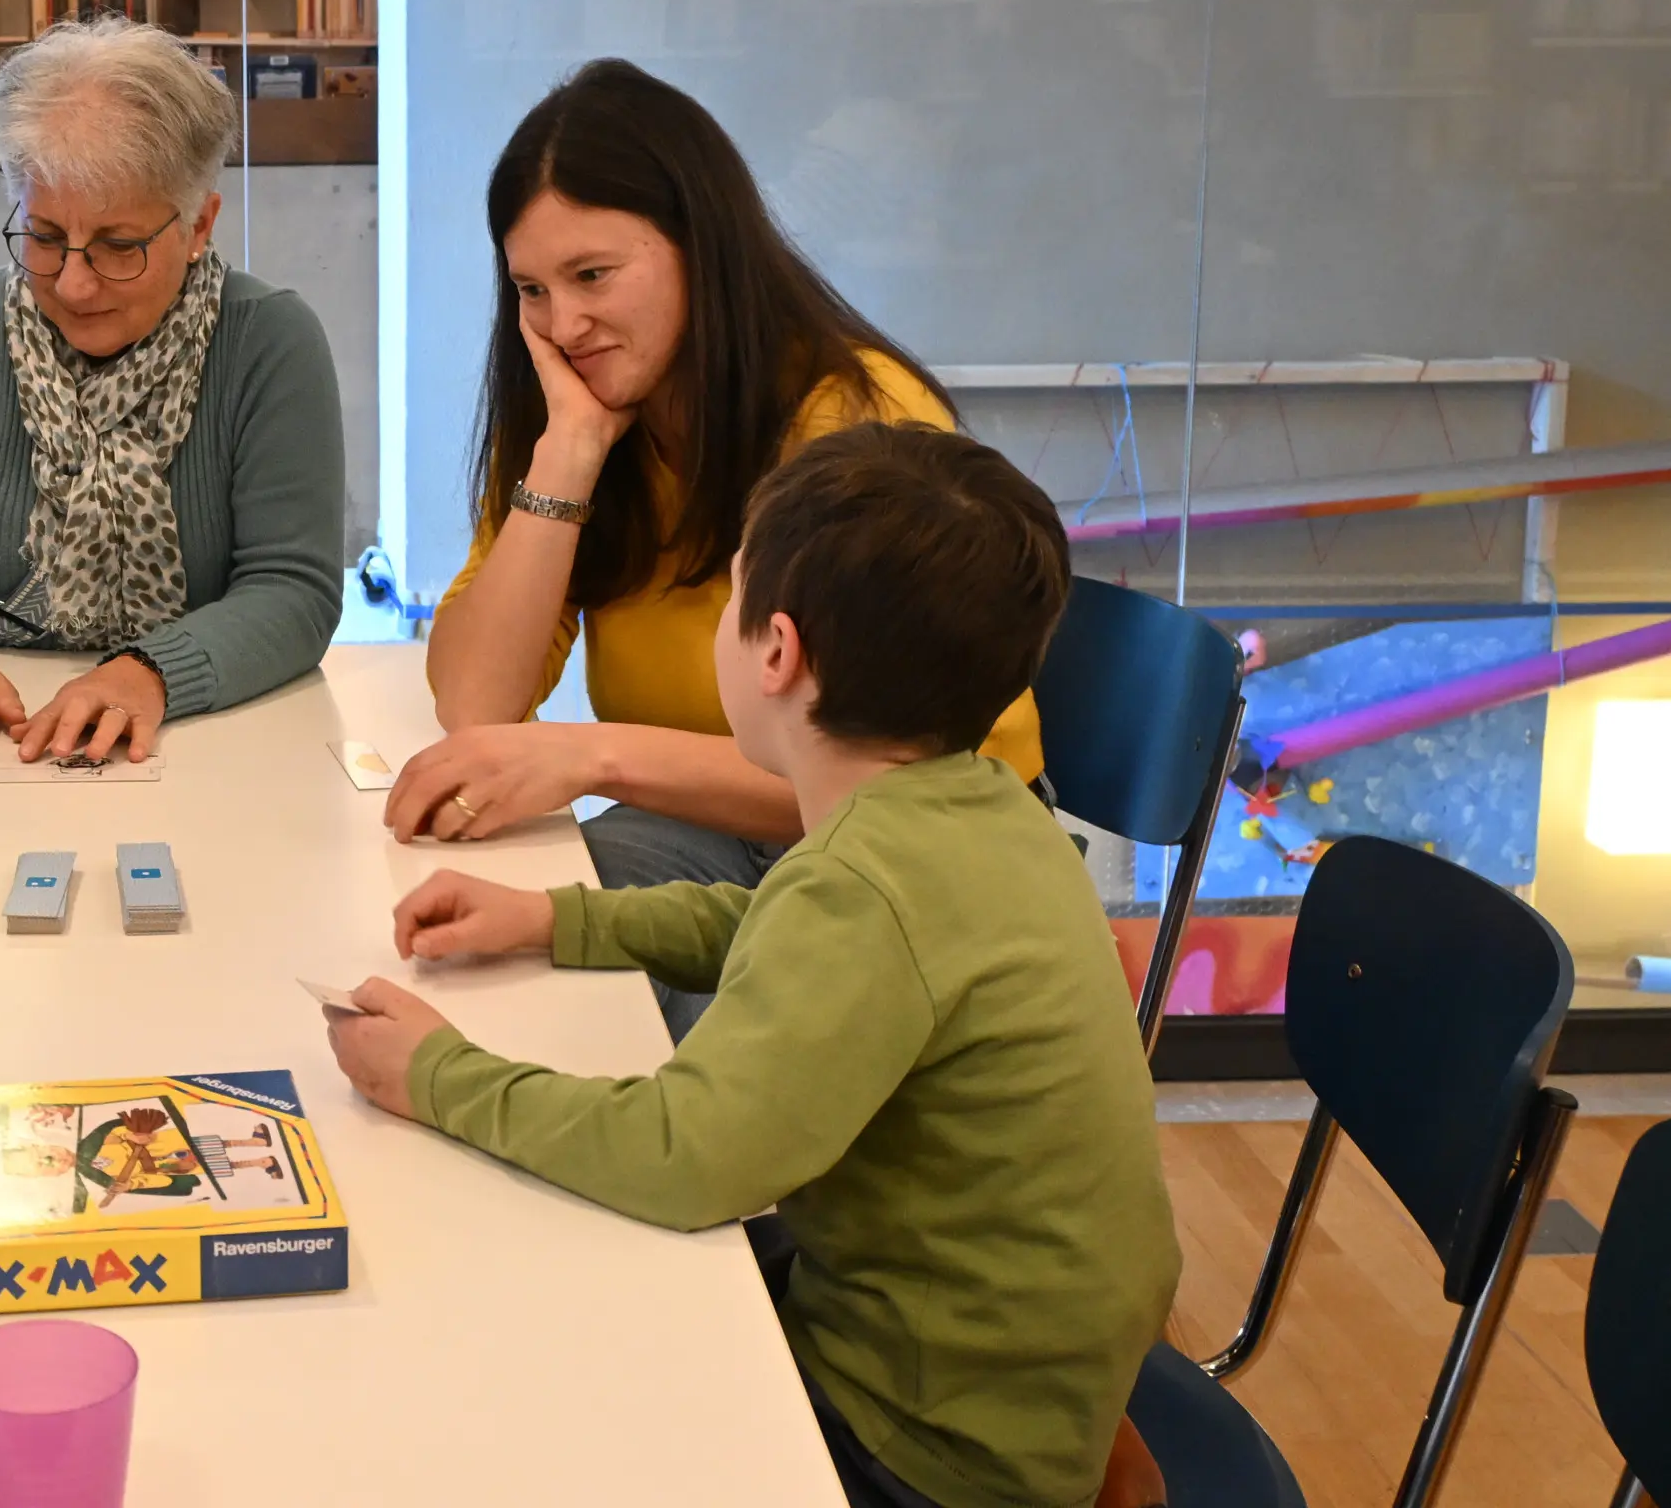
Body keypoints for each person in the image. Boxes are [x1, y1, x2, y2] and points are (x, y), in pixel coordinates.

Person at [326, 423, 1178, 1508]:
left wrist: (437, 1074)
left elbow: (687, 1156)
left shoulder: (869, 884)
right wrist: (556, 918)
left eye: (730, 597)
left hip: (923, 1438)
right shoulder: (983, 812)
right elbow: (782, 927)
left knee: (541, 1350)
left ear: (776, 652)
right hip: (1016, 1360)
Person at [394, 60, 1042, 1033]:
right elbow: (475, 704)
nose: (563, 325)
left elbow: (883, 782)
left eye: (593, 275)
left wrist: (594, 755)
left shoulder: (854, 422)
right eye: (530, 288)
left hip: (915, 851)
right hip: (709, 831)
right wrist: (569, 457)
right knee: (504, 963)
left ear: (701, 245)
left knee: (658, 1035)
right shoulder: (583, 417)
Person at [0, 17, 346, 765]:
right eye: (45, 236)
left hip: (204, 742)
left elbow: (293, 590)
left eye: (119, 246)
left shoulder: (268, 342)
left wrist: (148, 674)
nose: (73, 284)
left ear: (199, 225)